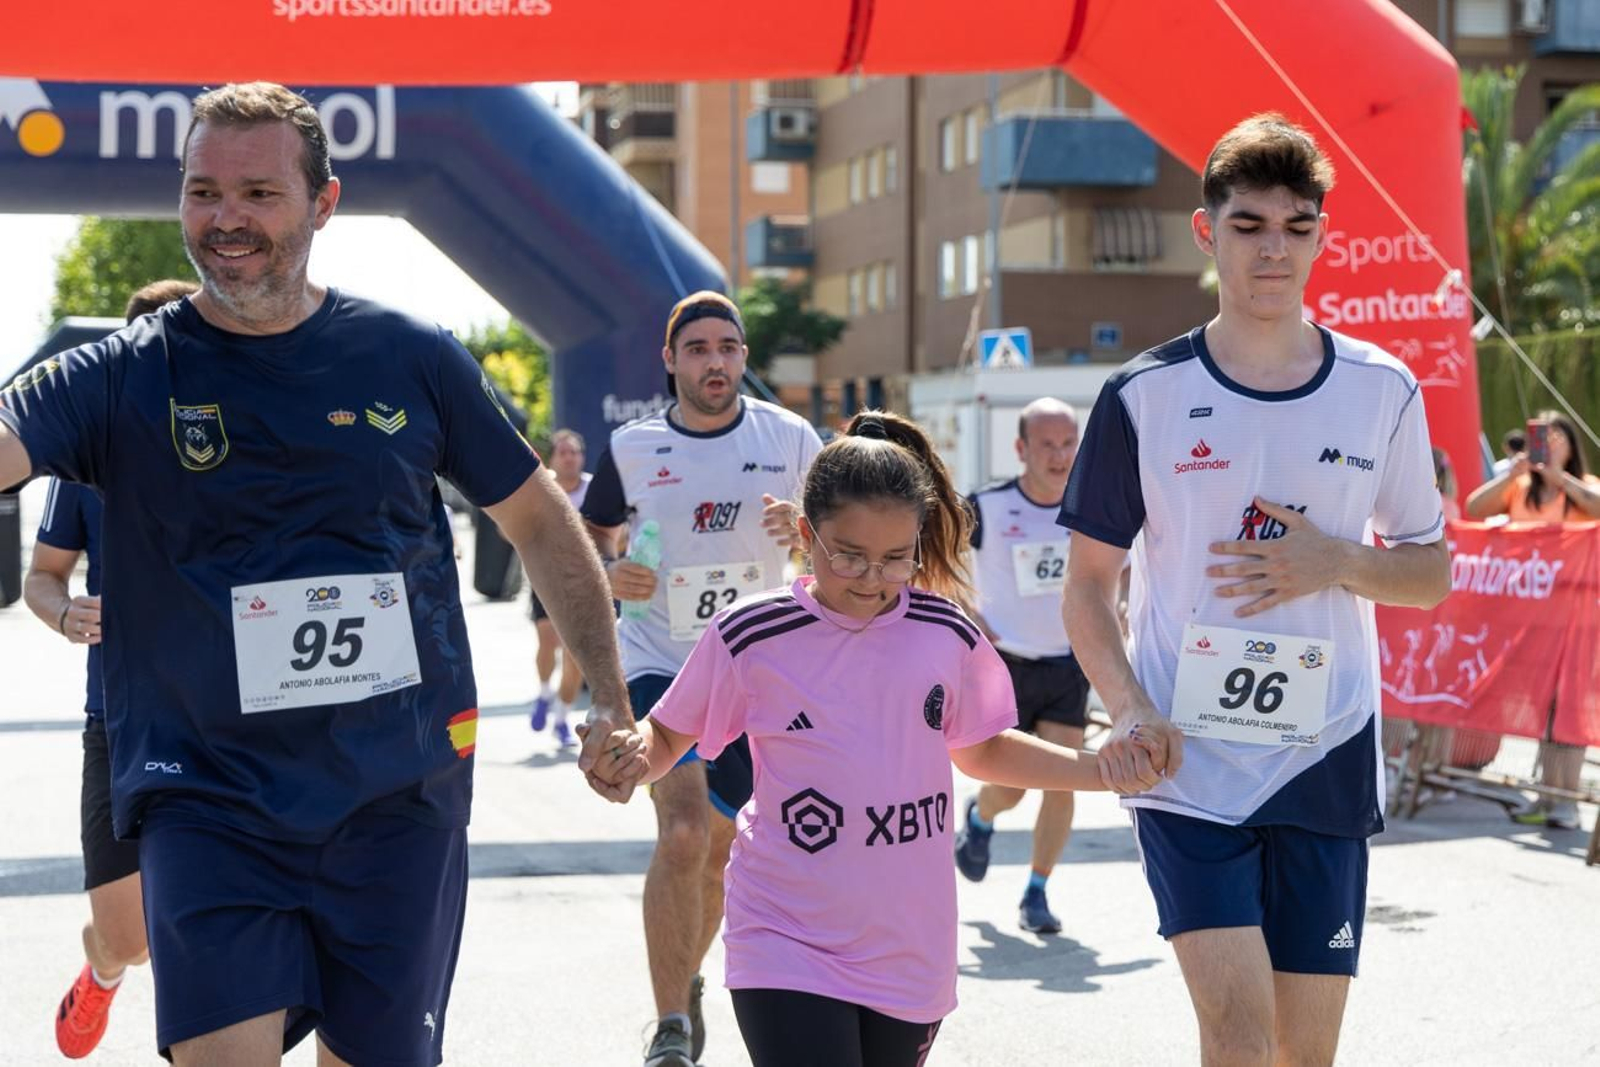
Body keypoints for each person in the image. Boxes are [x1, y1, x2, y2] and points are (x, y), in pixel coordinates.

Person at [0, 82, 629, 1067]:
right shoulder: (120, 372)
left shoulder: (409, 357)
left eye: (257, 193)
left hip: (395, 796)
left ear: (322, 203)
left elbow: (541, 522)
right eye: (203, 191)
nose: (225, 219)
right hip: (206, 793)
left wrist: (608, 693)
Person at [586, 411, 1160, 1067]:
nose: (871, 577)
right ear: (806, 535)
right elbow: (667, 734)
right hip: (784, 932)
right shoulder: (752, 633)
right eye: (849, 555)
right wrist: (631, 757)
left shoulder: (947, 632)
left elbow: (983, 746)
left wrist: (1102, 770)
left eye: (894, 558)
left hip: (909, 945)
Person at [1060, 114, 1451, 1066]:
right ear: (1207, 232)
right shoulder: (1141, 395)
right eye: (1249, 226)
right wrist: (1129, 708)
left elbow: (1430, 572)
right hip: (1186, 759)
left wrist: (1339, 561)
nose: (1274, 248)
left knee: (1301, 1054)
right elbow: (1088, 586)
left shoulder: (1384, 386)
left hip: (1323, 748)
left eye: (1296, 226)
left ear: (1321, 234)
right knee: (1236, 1036)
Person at [578, 290, 822, 1067]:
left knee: (719, 853)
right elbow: (585, 537)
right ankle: (669, 1028)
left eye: (729, 348)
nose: (715, 362)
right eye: (699, 349)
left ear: (744, 357)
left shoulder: (790, 437)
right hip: (661, 662)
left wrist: (807, 535)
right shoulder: (633, 446)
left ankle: (683, 979)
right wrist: (612, 571)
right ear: (671, 359)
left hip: (758, 669)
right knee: (682, 831)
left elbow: (846, 543)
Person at [21, 278, 198, 1059]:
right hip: (119, 718)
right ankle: (100, 969)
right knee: (131, 935)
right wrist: (62, 611)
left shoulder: (232, 440)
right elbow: (42, 573)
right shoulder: (88, 456)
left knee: (201, 914)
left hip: (223, 718)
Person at [952, 397, 1093, 934]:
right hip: (1004, 662)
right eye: (1047, 445)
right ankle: (981, 817)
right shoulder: (985, 507)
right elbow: (932, 561)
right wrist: (968, 617)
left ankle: (1037, 892)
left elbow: (1122, 570)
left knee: (1063, 780)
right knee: (1009, 787)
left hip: (1066, 661)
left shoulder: (1093, 508)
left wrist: (1120, 606)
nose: (1059, 457)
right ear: (1021, 449)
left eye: (1067, 444)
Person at [1465, 410, 1600, 829]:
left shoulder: (1582, 488)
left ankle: (1565, 800)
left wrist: (1560, 477)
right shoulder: (1521, 487)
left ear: (1572, 444)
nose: (1551, 443)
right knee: (1541, 711)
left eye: (1559, 435)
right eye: (1544, 436)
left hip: (1574, 622)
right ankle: (1546, 793)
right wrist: (1514, 474)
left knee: (1565, 709)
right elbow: (1474, 507)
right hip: (1525, 622)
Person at [530, 427, 594, 747]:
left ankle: (562, 717)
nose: (569, 458)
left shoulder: (595, 489)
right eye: (563, 452)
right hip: (545, 576)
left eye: (575, 452)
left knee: (574, 657)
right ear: (554, 457)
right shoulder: (543, 489)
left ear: (582, 456)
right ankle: (543, 693)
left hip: (584, 583)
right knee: (547, 639)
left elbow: (617, 531)